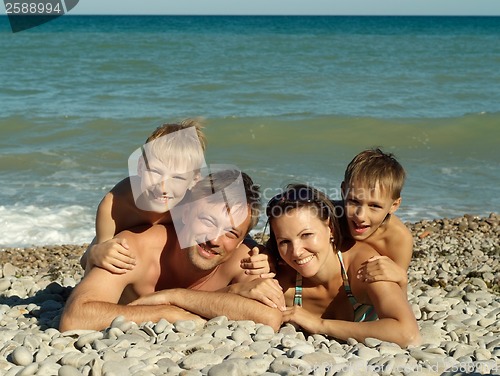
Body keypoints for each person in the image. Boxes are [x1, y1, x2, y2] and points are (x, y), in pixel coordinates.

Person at [60, 169, 281, 332]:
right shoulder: (133, 248)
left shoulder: (247, 260)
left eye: (231, 233)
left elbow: (270, 317)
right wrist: (162, 312)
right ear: (184, 213)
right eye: (206, 220)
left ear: (243, 239)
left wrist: (174, 297)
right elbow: (74, 318)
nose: (214, 239)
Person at [246, 184, 420, 347]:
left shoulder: (364, 267)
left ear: (330, 227)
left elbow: (408, 334)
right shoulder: (282, 277)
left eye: (306, 234)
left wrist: (320, 325)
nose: (296, 252)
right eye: (284, 241)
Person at [80, 119, 207, 274]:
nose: (163, 188)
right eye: (155, 172)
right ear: (140, 167)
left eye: (178, 178)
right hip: (121, 236)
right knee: (90, 257)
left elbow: (230, 233)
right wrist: (96, 254)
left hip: (158, 252)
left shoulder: (196, 203)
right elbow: (95, 269)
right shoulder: (116, 204)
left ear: (194, 180)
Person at [340, 148, 413, 292]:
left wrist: (402, 279)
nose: (360, 216)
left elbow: (399, 300)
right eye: (354, 201)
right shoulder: (330, 217)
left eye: (374, 206)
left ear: (394, 205)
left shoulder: (398, 239)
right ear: (343, 191)